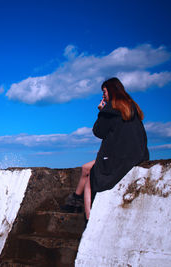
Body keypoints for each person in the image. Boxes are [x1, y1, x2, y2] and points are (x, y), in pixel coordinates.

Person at [61, 77, 149, 222]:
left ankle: (88, 218)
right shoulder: (131, 107)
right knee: (85, 168)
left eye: (104, 92)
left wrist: (101, 112)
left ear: (112, 92)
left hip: (118, 158)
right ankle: (75, 200)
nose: (103, 96)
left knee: (91, 178)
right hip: (135, 155)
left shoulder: (110, 110)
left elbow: (99, 132)